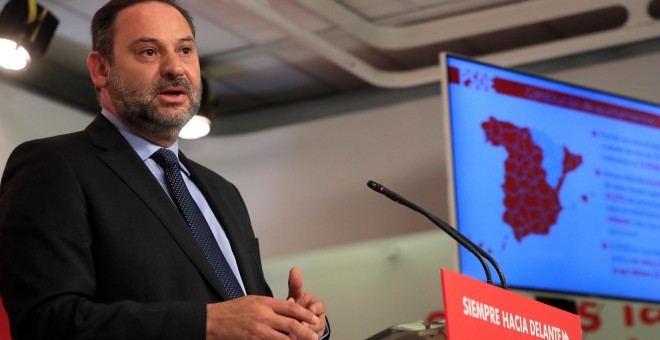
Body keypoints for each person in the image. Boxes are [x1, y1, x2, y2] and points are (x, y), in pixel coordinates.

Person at [0, 0, 329, 339]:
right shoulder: (53, 167)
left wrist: (294, 322)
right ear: (101, 69)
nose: (175, 67)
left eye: (185, 49)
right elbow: (47, 323)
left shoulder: (223, 192)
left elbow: (242, 315)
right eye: (148, 52)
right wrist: (206, 324)